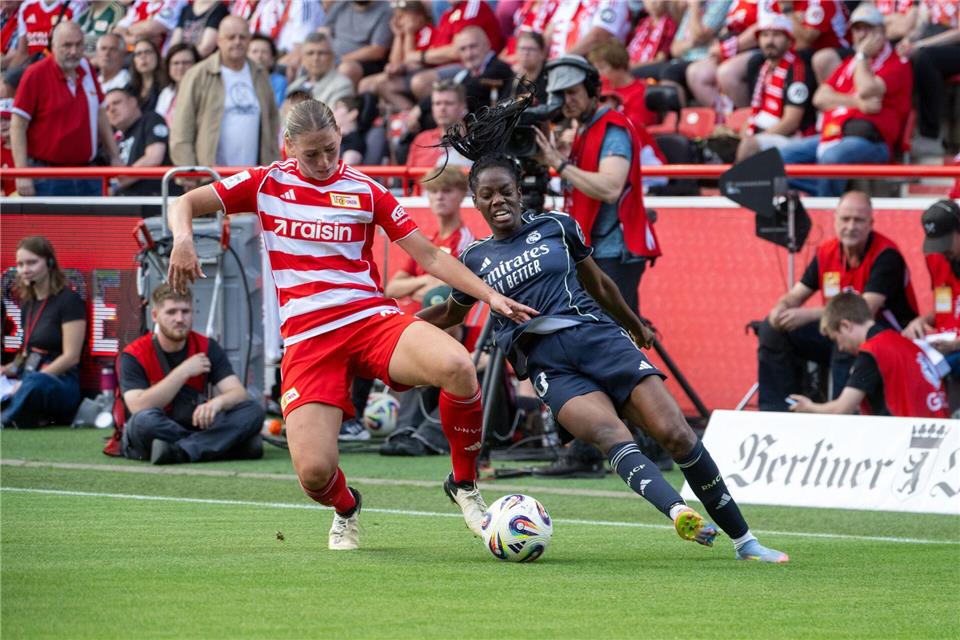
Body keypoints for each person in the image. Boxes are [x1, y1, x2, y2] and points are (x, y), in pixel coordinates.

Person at [165, 98, 535, 551]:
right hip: (307, 340)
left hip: (368, 320)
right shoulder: (265, 183)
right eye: (311, 154)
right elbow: (184, 202)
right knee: (314, 473)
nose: (324, 162)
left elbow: (431, 256)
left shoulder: (366, 189)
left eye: (331, 150)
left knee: (457, 365)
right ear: (288, 147)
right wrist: (182, 239)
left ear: (341, 137)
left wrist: (490, 294)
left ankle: (464, 485)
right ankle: (346, 507)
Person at [423, 105, 789, 562]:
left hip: (598, 338)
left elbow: (598, 283)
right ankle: (677, 513)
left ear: (520, 193)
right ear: (474, 201)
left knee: (677, 434)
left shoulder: (558, 225)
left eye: (506, 192)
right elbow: (450, 314)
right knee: (610, 434)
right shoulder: (473, 260)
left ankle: (746, 541)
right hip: (549, 368)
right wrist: (392, 325)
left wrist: (635, 325)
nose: (498, 202)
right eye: (487, 196)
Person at [757, 191, 919, 412]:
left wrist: (807, 314)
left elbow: (863, 310)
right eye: (845, 219)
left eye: (858, 220)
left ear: (871, 223)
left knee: (846, 331)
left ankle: (839, 417)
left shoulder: (887, 255)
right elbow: (796, 294)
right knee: (772, 329)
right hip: (840, 330)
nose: (851, 226)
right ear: (835, 220)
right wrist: (781, 308)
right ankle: (779, 411)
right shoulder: (826, 251)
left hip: (885, 335)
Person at [118, 284, 266, 465]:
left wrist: (216, 403)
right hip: (159, 426)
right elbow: (138, 406)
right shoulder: (134, 354)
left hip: (195, 423)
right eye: (171, 312)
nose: (180, 319)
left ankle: (181, 451)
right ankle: (224, 446)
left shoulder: (206, 346)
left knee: (253, 411)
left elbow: (238, 393)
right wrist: (183, 371)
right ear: (155, 316)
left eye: (185, 311)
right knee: (143, 421)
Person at [778, 4, 913, 197]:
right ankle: (829, 193)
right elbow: (820, 98)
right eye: (857, 29)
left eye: (869, 28)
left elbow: (866, 89)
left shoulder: (897, 63)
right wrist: (857, 103)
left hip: (872, 142)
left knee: (832, 158)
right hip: (833, 134)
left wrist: (863, 56)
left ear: (882, 32)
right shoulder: (850, 64)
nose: (862, 35)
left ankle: (826, 206)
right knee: (780, 159)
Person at [789, 292, 948, 417]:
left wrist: (809, 407)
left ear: (845, 325)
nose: (840, 348)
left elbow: (842, 409)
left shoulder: (873, 351)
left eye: (836, 339)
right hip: (936, 431)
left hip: (911, 440)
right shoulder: (901, 342)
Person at [10, 20, 120, 197]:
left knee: (92, 225)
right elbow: (18, 124)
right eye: (67, 45)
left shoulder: (86, 68)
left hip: (87, 172)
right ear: (53, 46)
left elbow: (100, 114)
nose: (74, 51)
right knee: (49, 226)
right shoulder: (35, 74)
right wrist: (22, 173)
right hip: (47, 175)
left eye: (78, 44)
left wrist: (115, 156)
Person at [171, 15, 280, 179]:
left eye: (242, 37)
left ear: (249, 39)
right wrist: (190, 175)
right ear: (219, 40)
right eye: (231, 37)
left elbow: (272, 121)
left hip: (255, 178)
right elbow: (181, 129)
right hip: (210, 179)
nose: (237, 42)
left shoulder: (260, 73)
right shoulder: (198, 74)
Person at [1, 237, 85, 429]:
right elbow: (26, 353)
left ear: (49, 263)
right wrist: (8, 369)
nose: (25, 269)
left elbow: (71, 357)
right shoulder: (28, 305)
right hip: (27, 377)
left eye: (32, 262)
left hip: (59, 382)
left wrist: (29, 381)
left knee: (35, 383)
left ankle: (6, 417)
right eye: (20, 264)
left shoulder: (69, 301)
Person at [385, 166, 475, 313]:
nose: (439, 197)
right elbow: (392, 288)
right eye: (434, 191)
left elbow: (450, 294)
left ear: (462, 194)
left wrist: (411, 290)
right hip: (414, 322)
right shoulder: (428, 241)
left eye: (446, 191)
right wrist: (426, 280)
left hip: (446, 326)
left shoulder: (466, 243)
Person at [736, 12, 817, 161]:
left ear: (789, 40)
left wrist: (754, 139)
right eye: (765, 35)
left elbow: (791, 122)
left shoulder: (797, 71)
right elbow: (755, 111)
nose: (770, 41)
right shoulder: (762, 68)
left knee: (749, 147)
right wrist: (744, 135)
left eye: (776, 35)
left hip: (793, 138)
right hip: (766, 132)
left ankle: (735, 184)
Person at [903, 200, 960, 377]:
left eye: (945, 242)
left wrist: (956, 345)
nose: (942, 251)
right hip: (943, 344)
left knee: (927, 373)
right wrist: (920, 322)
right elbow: (948, 309)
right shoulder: (936, 260)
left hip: (954, 349)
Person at [104, 86, 171, 197]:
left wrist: (116, 184)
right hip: (128, 202)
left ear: (133, 102)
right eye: (106, 108)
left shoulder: (151, 119)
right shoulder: (116, 139)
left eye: (116, 103)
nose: (111, 109)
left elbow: (154, 158)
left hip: (153, 200)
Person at [323, 0, 394, 87]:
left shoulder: (385, 9)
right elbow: (324, 30)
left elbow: (378, 50)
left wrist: (339, 60)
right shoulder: (342, 4)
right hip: (332, 56)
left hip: (364, 62)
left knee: (346, 69)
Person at [284, 32, 354, 108]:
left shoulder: (342, 85)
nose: (315, 58)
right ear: (303, 59)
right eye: (310, 53)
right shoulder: (294, 86)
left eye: (321, 53)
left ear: (332, 56)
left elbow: (335, 118)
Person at [154, 43, 198, 128]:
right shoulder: (166, 92)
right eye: (175, 63)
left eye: (186, 63)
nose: (180, 67)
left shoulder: (204, 91)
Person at [248, 33, 286, 108]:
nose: (259, 56)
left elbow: (276, 108)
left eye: (264, 52)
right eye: (254, 51)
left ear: (272, 58)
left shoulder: (279, 82)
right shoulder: (238, 78)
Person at [129, 37, 164, 112]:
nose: (143, 57)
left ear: (157, 56)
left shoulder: (165, 87)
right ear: (134, 60)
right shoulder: (129, 89)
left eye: (148, 52)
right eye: (138, 54)